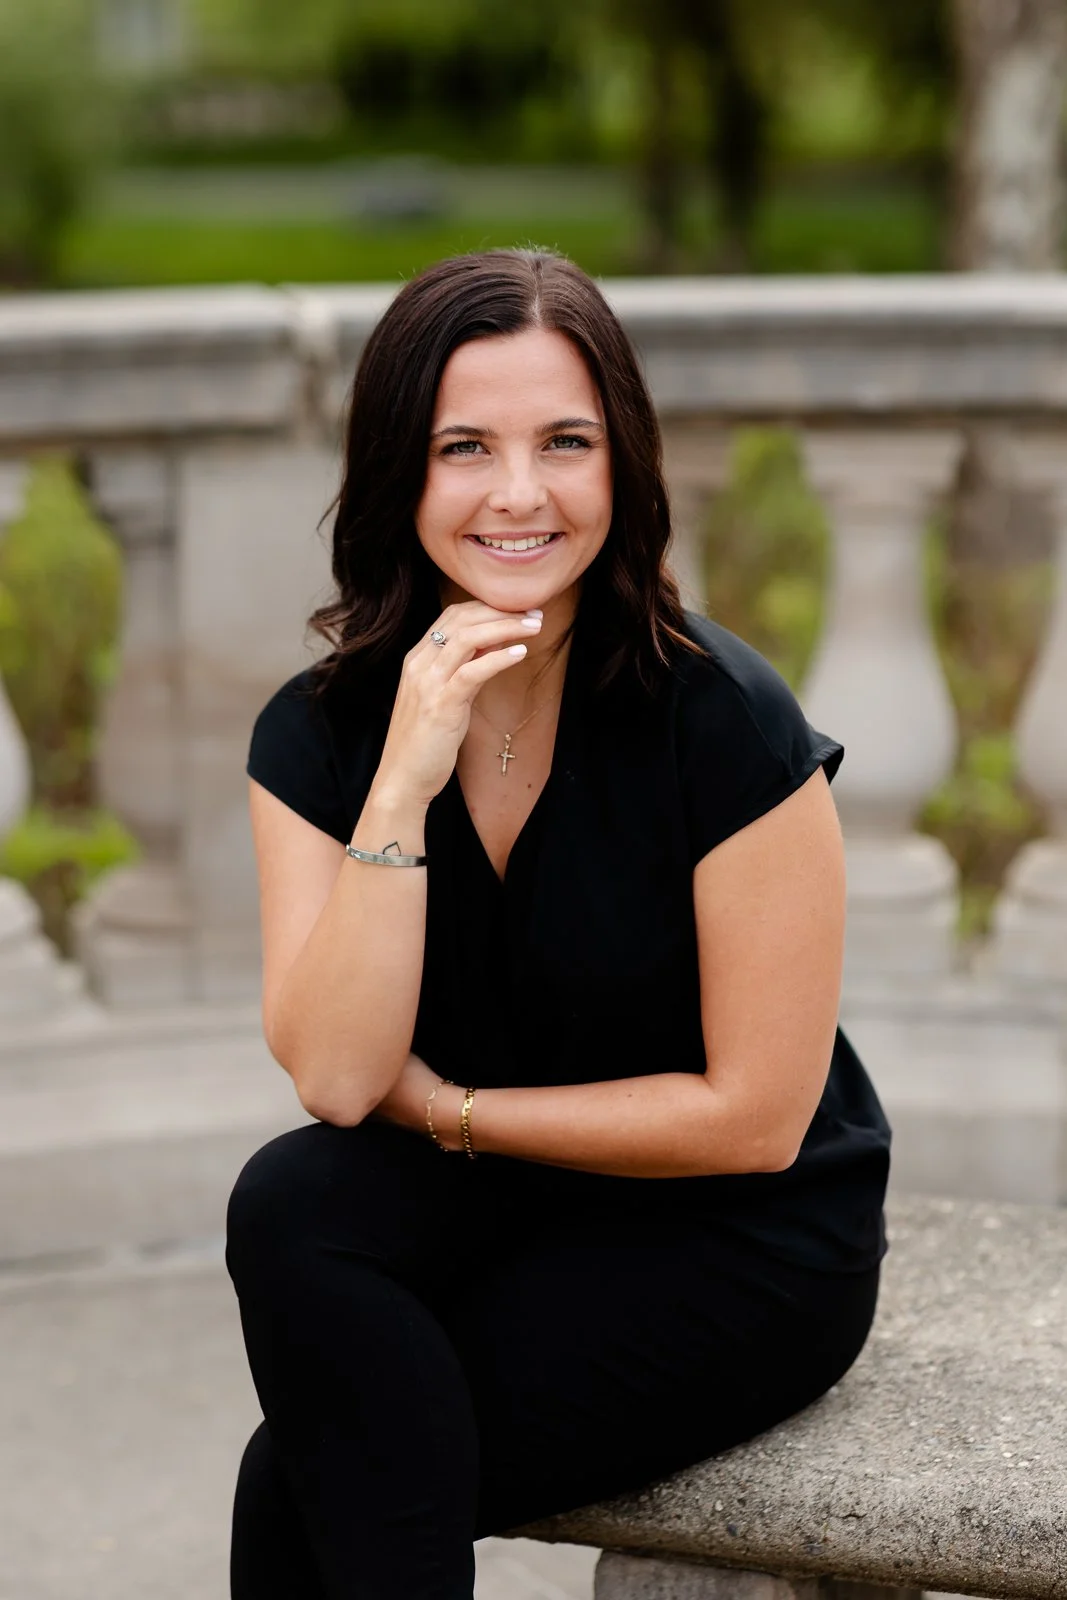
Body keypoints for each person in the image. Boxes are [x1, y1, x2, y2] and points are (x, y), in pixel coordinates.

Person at [226, 246, 891, 1600]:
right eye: (463, 445)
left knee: (295, 1482)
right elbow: (341, 1077)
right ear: (396, 471)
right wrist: (406, 778)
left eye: (565, 443)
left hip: (738, 1236)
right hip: (512, 1207)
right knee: (289, 1204)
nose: (518, 493)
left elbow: (754, 1117)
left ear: (622, 466)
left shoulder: (722, 722)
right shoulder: (321, 734)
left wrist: (456, 1112)